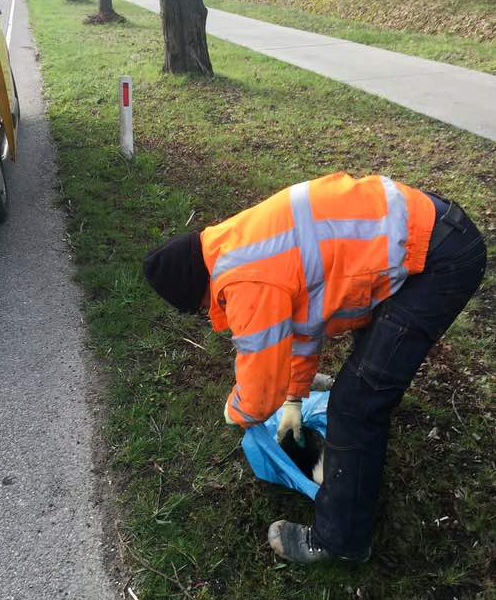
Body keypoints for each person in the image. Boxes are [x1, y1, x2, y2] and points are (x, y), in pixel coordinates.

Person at [143, 173, 486, 565]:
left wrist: (236, 410)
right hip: (428, 230)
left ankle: (340, 541)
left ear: (197, 288)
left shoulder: (245, 281)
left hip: (440, 258)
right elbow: (303, 322)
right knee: (367, 372)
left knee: (356, 404)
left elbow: (258, 390)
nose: (208, 312)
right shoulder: (238, 243)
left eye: (201, 307)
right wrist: (295, 396)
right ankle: (362, 444)